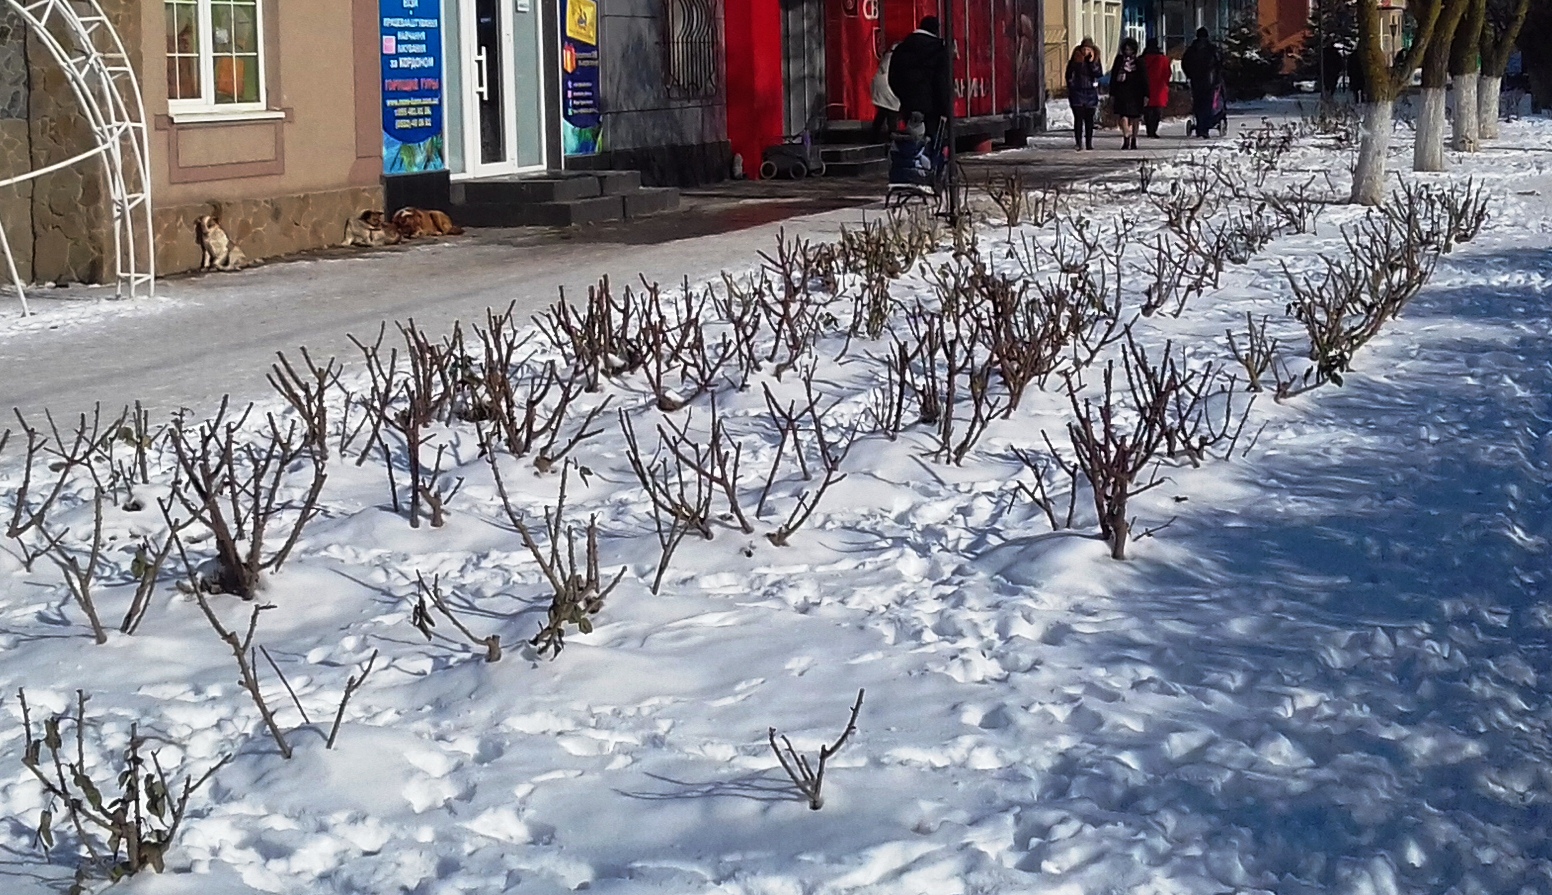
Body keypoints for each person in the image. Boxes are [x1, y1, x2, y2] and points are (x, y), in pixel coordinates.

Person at [889, 16, 953, 139]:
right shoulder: (938, 50)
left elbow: (893, 77)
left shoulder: (902, 47)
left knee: (912, 143)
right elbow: (941, 82)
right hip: (932, 109)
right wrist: (945, 109)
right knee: (933, 145)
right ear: (936, 30)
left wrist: (904, 97)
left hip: (909, 105)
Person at [1181, 27, 1223, 137]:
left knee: (1198, 104)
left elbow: (1184, 63)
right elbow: (1219, 64)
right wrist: (1217, 77)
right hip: (1210, 80)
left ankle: (1200, 126)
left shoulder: (1191, 50)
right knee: (1208, 104)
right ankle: (1205, 127)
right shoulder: (1212, 49)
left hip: (1196, 80)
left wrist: (1189, 75)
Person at [1109, 37, 1148, 149]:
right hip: (1122, 91)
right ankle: (1126, 136)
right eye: (1126, 49)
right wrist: (1112, 92)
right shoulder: (1119, 60)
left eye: (1130, 50)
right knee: (1123, 115)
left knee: (1135, 117)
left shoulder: (1139, 61)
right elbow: (1113, 76)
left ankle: (1134, 139)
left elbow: (1144, 78)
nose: (1128, 52)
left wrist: (1146, 94)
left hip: (1136, 92)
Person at [1065, 42, 1102, 151]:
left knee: (1089, 119)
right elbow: (1069, 74)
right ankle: (1078, 142)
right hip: (1077, 92)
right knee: (1078, 118)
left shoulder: (1095, 60)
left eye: (1088, 49)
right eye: (1084, 49)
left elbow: (1098, 74)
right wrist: (1071, 86)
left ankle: (1089, 142)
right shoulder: (1076, 60)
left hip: (1090, 92)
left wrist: (1091, 63)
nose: (1086, 52)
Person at [1141, 39, 1172, 138]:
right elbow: (1167, 73)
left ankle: (1149, 129)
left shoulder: (1142, 59)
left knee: (1147, 109)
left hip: (1145, 86)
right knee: (1157, 110)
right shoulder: (1163, 59)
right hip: (1160, 86)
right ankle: (1154, 129)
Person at [871, 47, 902, 140]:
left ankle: (875, 136)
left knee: (883, 112)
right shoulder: (895, 58)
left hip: (882, 87)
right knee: (891, 112)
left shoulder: (888, 57)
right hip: (888, 87)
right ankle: (892, 137)